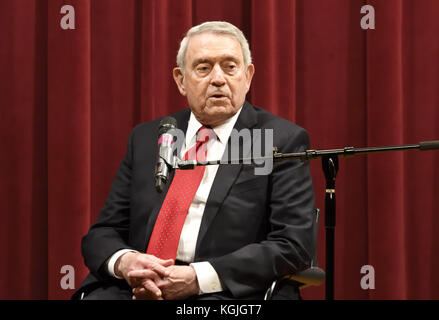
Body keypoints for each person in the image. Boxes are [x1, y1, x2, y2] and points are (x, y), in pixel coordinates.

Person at [73, 21, 315, 300]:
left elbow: (293, 245)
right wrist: (127, 263)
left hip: (224, 290)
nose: (218, 79)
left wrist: (198, 278)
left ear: (247, 76)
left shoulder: (278, 141)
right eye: (203, 68)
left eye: (230, 66)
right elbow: (104, 232)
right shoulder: (147, 138)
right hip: (138, 287)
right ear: (180, 80)